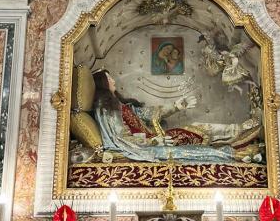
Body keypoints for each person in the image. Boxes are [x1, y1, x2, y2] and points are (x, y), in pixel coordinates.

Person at [92, 69, 244, 163]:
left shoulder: (120, 105)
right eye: (108, 78)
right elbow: (120, 138)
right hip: (152, 144)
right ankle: (237, 142)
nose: (113, 80)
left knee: (200, 128)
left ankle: (240, 131)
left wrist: (176, 105)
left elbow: (147, 113)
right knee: (200, 135)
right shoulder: (106, 109)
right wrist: (152, 142)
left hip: (159, 138)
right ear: (103, 83)